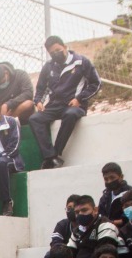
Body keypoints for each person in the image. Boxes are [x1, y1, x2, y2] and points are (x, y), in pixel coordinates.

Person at [31, 36, 101, 169]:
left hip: (74, 105)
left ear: (65, 47)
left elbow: (96, 83)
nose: (56, 54)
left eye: (58, 50)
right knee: (35, 119)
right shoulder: (48, 66)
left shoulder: (81, 62)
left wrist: (79, 99)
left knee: (70, 115)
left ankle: (56, 154)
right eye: (52, 53)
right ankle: (50, 156)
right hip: (53, 106)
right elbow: (40, 88)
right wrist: (38, 101)